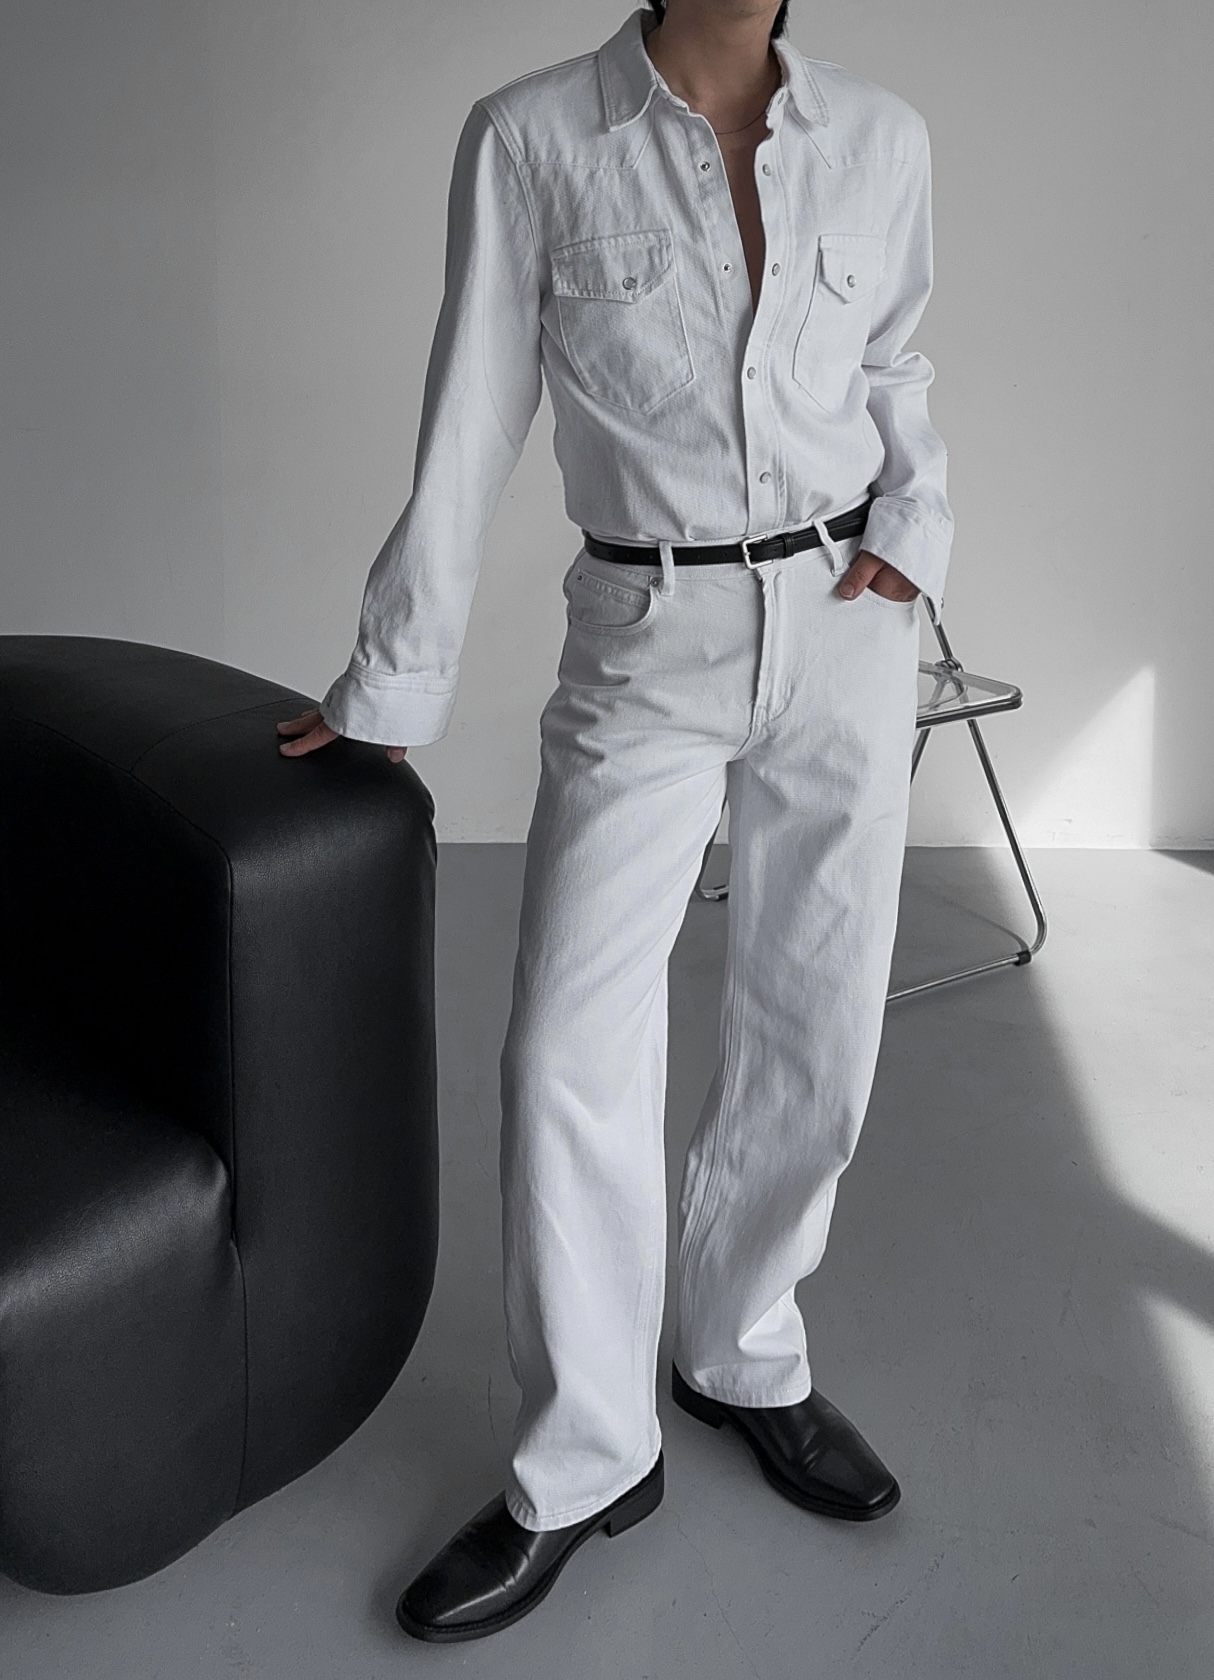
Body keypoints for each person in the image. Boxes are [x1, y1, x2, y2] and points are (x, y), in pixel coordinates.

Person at [277, 0, 953, 1643]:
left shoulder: (882, 137)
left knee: (816, 1018)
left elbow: (897, 359)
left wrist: (918, 527)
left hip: (847, 621)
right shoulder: (532, 139)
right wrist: (392, 680)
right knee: (566, 1049)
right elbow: (473, 411)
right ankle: (587, 1458)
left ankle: (743, 1352)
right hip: (649, 632)